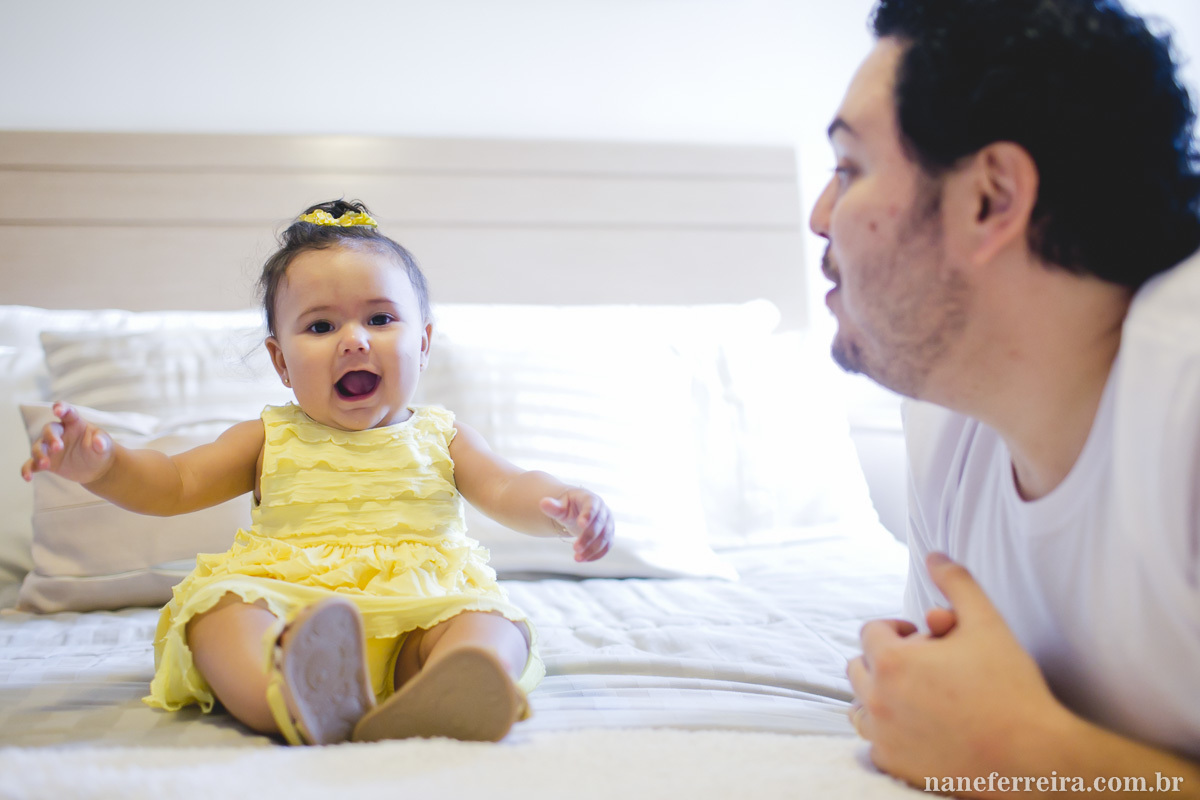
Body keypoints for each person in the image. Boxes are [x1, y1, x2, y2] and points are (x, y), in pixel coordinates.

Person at [20, 199, 615, 746]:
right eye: (321, 326)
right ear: (280, 359)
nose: (354, 341)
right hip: (292, 612)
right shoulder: (267, 436)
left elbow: (509, 487)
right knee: (219, 614)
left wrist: (563, 504)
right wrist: (106, 465)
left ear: (425, 342)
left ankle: (456, 687)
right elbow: (173, 484)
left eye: (380, 319)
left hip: (423, 607)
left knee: (488, 622)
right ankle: (286, 693)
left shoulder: (443, 436)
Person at [809, 0, 1200, 795]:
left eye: (849, 169)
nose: (820, 218)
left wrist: (1032, 757)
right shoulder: (947, 423)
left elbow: (995, 745)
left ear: (990, 198)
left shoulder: (1186, 396)